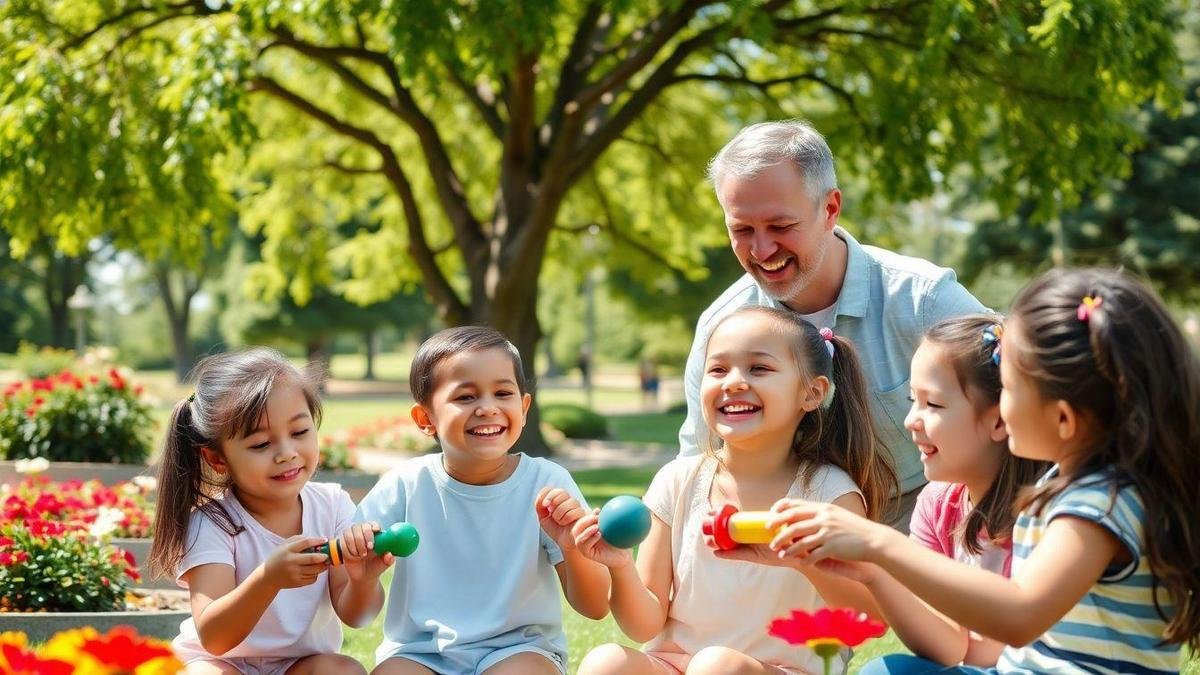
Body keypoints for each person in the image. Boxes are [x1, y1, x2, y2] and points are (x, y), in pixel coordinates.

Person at [764, 268, 1200, 674]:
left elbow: (1020, 614)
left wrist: (877, 542)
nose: (1000, 405)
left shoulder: (1100, 503)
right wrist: (869, 566)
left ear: (1064, 419)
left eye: (1009, 388)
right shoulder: (1063, 490)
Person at [681, 120, 986, 528]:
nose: (762, 248)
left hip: (925, 532)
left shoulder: (923, 300)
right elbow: (698, 462)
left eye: (780, 226)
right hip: (790, 545)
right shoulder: (721, 326)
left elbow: (1017, 402)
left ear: (830, 209)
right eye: (742, 230)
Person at [574, 307, 897, 675]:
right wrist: (620, 567)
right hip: (677, 664)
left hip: (783, 669)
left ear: (812, 393)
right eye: (718, 369)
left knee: (718, 667)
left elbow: (866, 617)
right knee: (608, 663)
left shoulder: (830, 494)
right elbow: (644, 625)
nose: (734, 382)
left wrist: (807, 562)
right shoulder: (677, 481)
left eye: (759, 368)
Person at [354, 326, 611, 675]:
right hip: (418, 653)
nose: (487, 408)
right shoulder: (404, 485)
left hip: (519, 649)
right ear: (425, 419)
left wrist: (572, 547)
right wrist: (361, 577)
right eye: (465, 397)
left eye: (502, 393)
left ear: (524, 407)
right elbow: (356, 616)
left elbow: (595, 606)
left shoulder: (547, 482)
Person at [147, 348, 376, 674]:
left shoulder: (332, 505)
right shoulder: (211, 522)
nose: (286, 453)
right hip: (222, 662)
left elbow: (357, 616)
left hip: (299, 665)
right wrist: (268, 580)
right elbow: (214, 637)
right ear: (218, 459)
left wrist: (363, 580)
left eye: (299, 432)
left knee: (344, 670)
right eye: (260, 444)